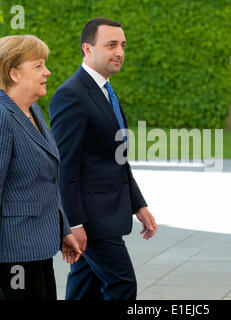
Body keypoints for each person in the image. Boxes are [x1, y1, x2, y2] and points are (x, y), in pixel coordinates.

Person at [0, 35, 82, 300]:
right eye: (38, 65)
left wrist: (62, 230)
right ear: (14, 73)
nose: (47, 72)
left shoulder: (33, 111)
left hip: (38, 246)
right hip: (12, 253)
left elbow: (45, 181)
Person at [49, 17, 157, 300]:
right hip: (91, 219)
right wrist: (73, 224)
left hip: (107, 211)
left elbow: (115, 159)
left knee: (84, 287)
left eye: (122, 45)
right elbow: (65, 166)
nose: (119, 52)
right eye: (111, 45)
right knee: (122, 285)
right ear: (88, 48)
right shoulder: (71, 95)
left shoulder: (106, 90)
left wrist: (138, 204)